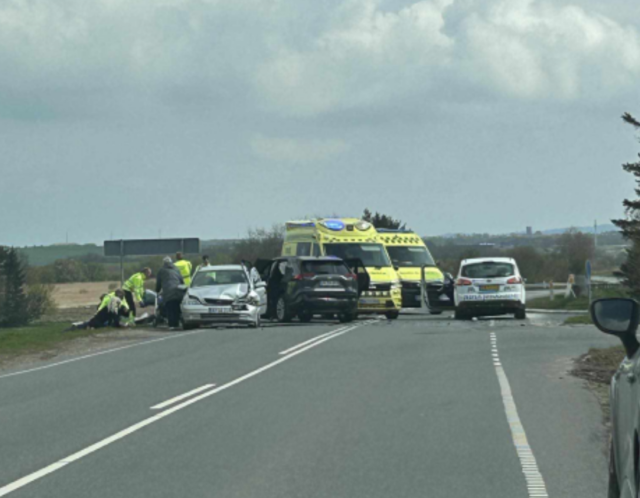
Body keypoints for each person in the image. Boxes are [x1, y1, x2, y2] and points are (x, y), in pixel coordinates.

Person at [156, 256, 185, 329]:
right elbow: (181, 280)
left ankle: (172, 324)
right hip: (178, 290)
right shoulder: (176, 269)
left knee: (170, 308)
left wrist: (157, 290)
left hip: (168, 291)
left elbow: (159, 282)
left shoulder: (162, 270)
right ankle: (177, 323)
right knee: (177, 307)